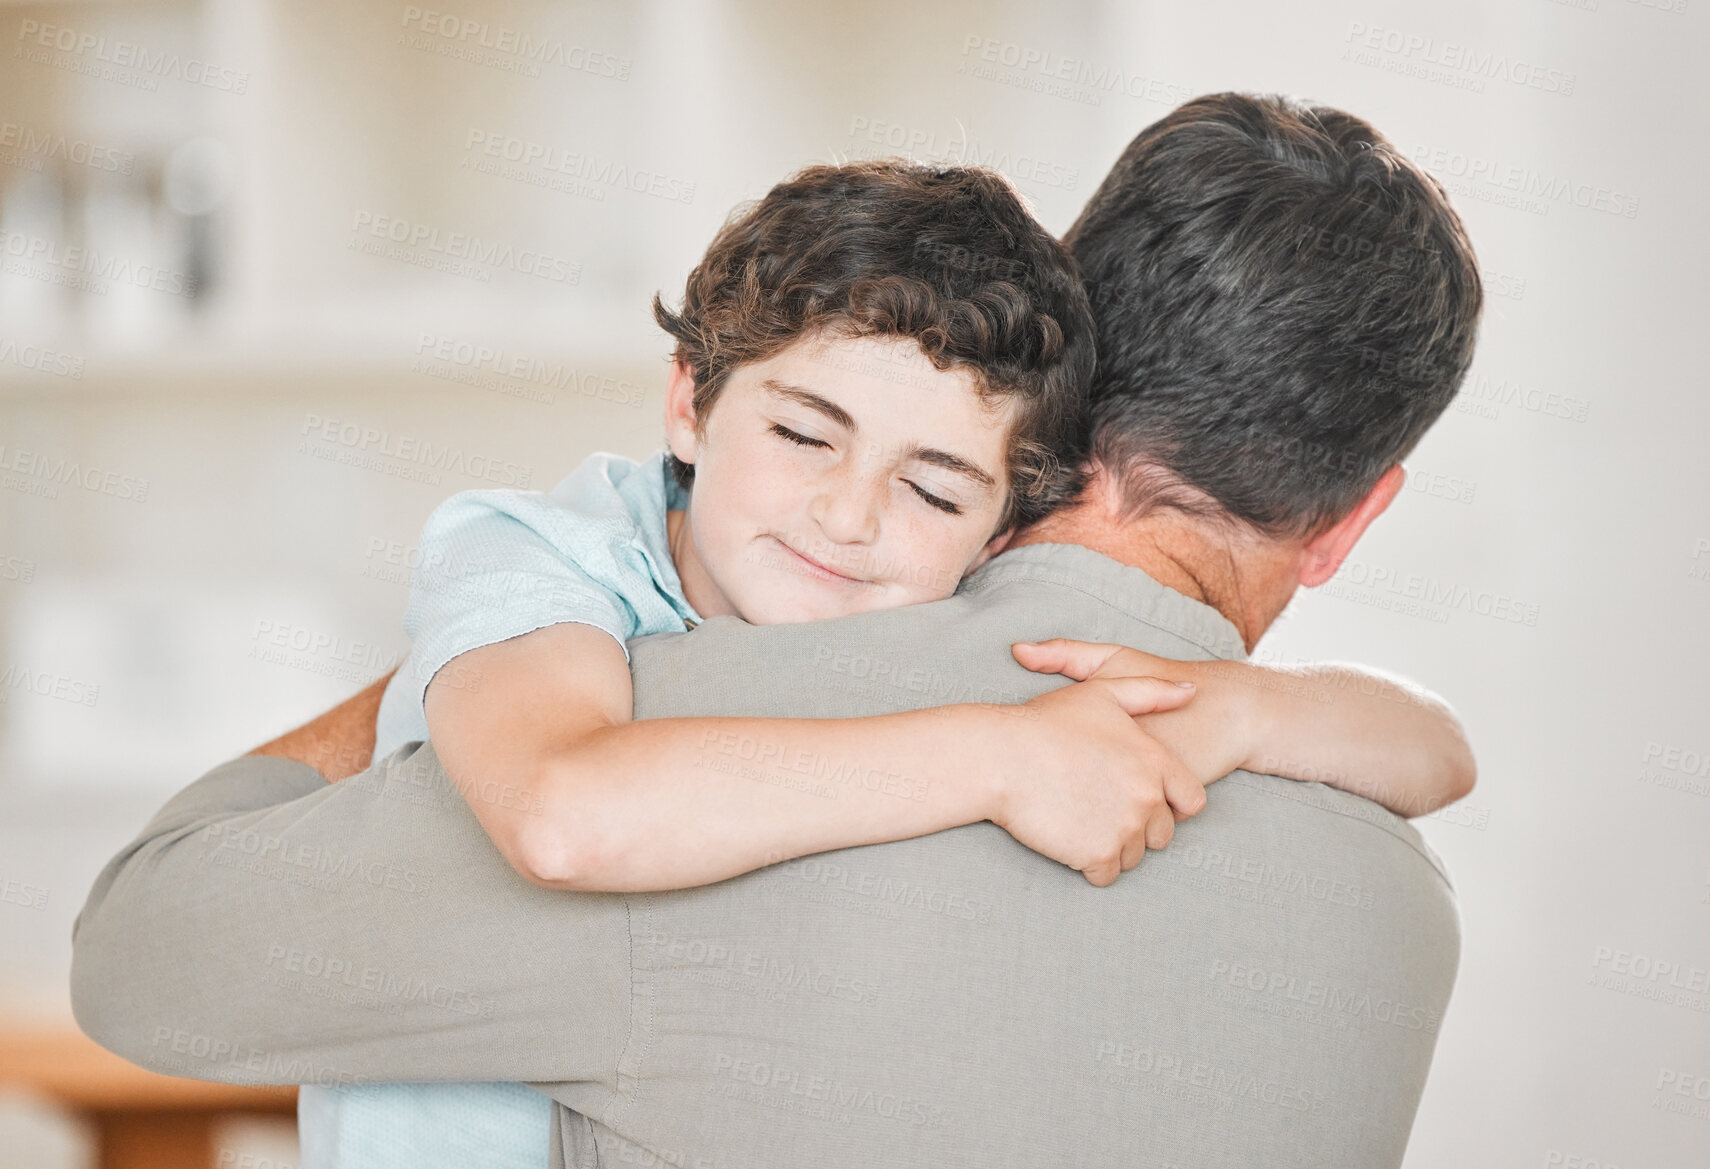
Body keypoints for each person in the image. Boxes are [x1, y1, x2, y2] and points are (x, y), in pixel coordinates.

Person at [70, 92, 1484, 1169]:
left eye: (922, 479)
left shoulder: (680, 736)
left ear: (1065, 381)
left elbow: (143, 957)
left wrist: (458, 661)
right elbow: (1425, 743)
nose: (848, 516)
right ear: (1356, 513)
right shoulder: (1393, 907)